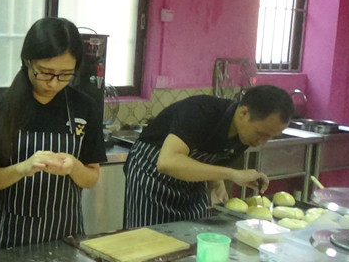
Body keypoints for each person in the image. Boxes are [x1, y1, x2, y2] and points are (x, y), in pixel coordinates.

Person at [0, 17, 107, 251]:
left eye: (65, 74)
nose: (54, 83)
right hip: (9, 238)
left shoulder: (84, 108)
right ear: (27, 61)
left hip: (66, 236)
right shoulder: (1, 107)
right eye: (45, 72)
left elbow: (91, 177)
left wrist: (74, 167)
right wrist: (22, 168)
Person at [123, 84, 294, 228]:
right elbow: (167, 162)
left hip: (190, 184)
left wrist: (216, 183)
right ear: (244, 113)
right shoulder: (200, 111)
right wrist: (231, 174)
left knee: (194, 234)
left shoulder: (244, 134)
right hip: (152, 177)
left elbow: (211, 160)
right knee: (150, 240)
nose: (262, 142)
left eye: (270, 137)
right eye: (261, 133)